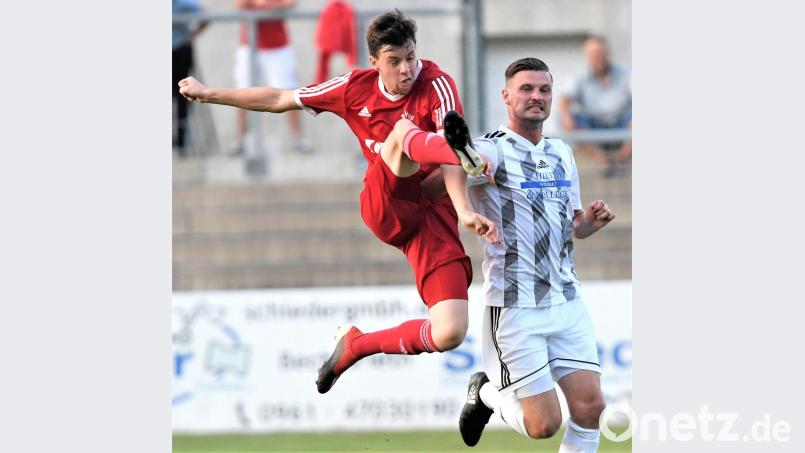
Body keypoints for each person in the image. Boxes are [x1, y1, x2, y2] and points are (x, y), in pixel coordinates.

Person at [179, 10, 497, 394]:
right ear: (374, 62)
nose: (406, 69)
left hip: (431, 212)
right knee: (404, 131)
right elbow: (281, 97)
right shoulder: (353, 87)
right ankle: (463, 151)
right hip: (386, 202)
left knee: (450, 330)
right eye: (394, 61)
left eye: (411, 57)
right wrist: (210, 93)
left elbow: (451, 161)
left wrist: (463, 209)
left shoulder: (437, 83)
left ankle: (356, 345)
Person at [456, 58, 614, 452]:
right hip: (515, 305)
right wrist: (466, 200)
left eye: (544, 90)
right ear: (506, 96)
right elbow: (439, 179)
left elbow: (572, 225)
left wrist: (588, 224)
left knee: (590, 407)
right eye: (526, 89)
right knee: (544, 425)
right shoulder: (489, 149)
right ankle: (486, 393)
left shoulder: (561, 152)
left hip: (565, 298)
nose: (536, 97)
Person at [231, 0, 312, 155]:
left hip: (278, 46)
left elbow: (290, 3)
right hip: (250, 45)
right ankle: (240, 139)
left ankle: (298, 138)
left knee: (289, 91)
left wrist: (266, 6)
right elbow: (239, 4)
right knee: (242, 91)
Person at [559, 36, 631, 177]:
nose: (597, 57)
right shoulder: (580, 75)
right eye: (592, 53)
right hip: (594, 124)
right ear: (587, 56)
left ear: (608, 53)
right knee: (570, 118)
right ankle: (602, 159)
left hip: (621, 122)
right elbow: (564, 100)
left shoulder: (625, 72)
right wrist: (567, 117)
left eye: (600, 52)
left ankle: (620, 158)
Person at [172, 0, 207, 157]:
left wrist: (189, 37)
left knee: (182, 96)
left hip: (180, 51)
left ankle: (181, 142)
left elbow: (205, 17)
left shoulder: (183, 4)